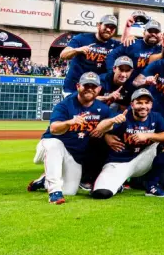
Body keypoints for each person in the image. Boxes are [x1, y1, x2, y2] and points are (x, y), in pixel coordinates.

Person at [28, 72, 121, 204]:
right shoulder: (65, 105)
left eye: (93, 86)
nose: (90, 89)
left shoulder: (102, 109)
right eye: (86, 85)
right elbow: (54, 128)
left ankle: (43, 181)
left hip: (73, 154)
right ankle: (54, 192)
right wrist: (69, 122)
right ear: (78, 86)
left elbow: (108, 124)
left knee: (69, 191)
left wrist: (108, 130)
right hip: (50, 146)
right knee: (54, 145)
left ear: (99, 89)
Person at [91, 89, 164, 199]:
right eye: (139, 103)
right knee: (102, 193)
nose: (143, 106)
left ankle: (152, 187)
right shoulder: (123, 116)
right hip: (120, 162)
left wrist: (148, 135)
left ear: (151, 104)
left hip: (142, 160)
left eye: (147, 103)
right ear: (132, 104)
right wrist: (112, 121)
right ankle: (118, 184)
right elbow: (99, 128)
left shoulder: (156, 117)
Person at [60, 14, 127, 97]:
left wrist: (129, 34)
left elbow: (126, 46)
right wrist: (77, 50)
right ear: (98, 25)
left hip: (96, 89)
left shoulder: (114, 44)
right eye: (106, 26)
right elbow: (63, 55)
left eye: (112, 28)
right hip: (74, 87)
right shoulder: (82, 38)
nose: (108, 29)